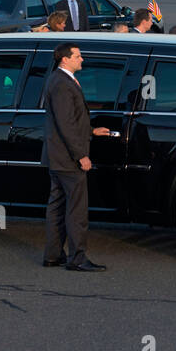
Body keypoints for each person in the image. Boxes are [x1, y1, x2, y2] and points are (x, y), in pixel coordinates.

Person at [42, 43, 111, 271]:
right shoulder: (62, 84)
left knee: (57, 206)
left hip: (57, 157)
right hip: (68, 159)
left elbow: (70, 120)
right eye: (78, 56)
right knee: (76, 210)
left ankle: (53, 255)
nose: (82, 59)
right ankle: (77, 258)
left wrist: (91, 131)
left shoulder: (59, 80)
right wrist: (81, 155)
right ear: (65, 59)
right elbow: (65, 124)